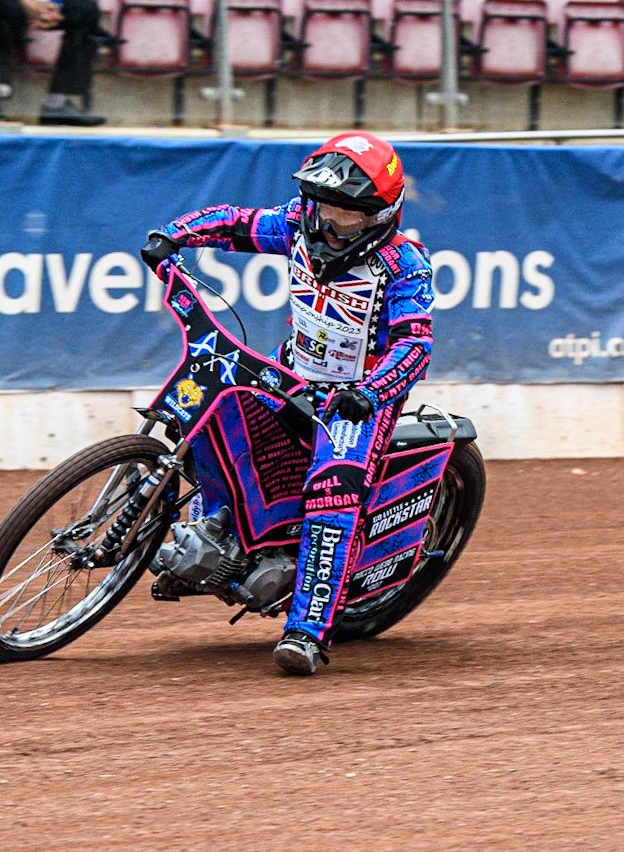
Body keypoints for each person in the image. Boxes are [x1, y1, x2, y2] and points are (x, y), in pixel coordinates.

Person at [141, 132, 436, 674]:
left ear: (380, 214)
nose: (328, 222)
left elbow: (416, 346)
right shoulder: (299, 222)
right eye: (322, 206)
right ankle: (219, 531)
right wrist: (173, 236)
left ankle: (306, 629)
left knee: (333, 488)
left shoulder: (406, 266)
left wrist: (368, 394)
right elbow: (234, 223)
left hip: (356, 398)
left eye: (345, 214)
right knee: (210, 411)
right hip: (290, 371)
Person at [0, 0, 107, 126]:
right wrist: (29, 5)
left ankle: (55, 104)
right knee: (7, 7)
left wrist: (52, 7)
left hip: (40, 7)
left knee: (85, 8)